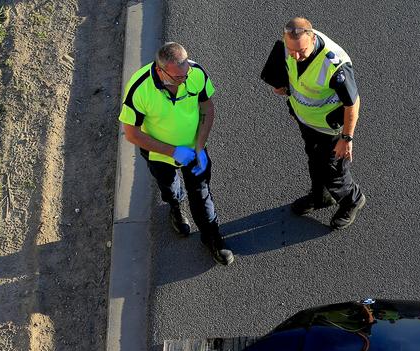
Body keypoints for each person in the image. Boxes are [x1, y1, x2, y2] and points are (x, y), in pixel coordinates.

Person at [119, 42, 233, 265]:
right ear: (161, 71)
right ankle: (175, 208)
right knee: (170, 187)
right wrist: (173, 152)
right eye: (179, 76)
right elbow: (132, 134)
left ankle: (212, 237)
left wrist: (199, 147)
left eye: (186, 73)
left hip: (193, 150)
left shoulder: (195, 73)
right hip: (159, 155)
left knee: (201, 193)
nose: (185, 78)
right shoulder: (139, 88)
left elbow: (207, 108)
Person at [261, 17, 366, 230]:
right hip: (305, 120)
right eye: (292, 51)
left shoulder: (334, 65)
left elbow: (352, 103)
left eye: (302, 51)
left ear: (312, 38)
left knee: (333, 169)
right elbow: (290, 72)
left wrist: (347, 138)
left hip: (329, 128)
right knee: (314, 160)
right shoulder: (289, 47)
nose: (296, 56)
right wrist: (283, 87)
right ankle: (321, 197)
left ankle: (352, 199)